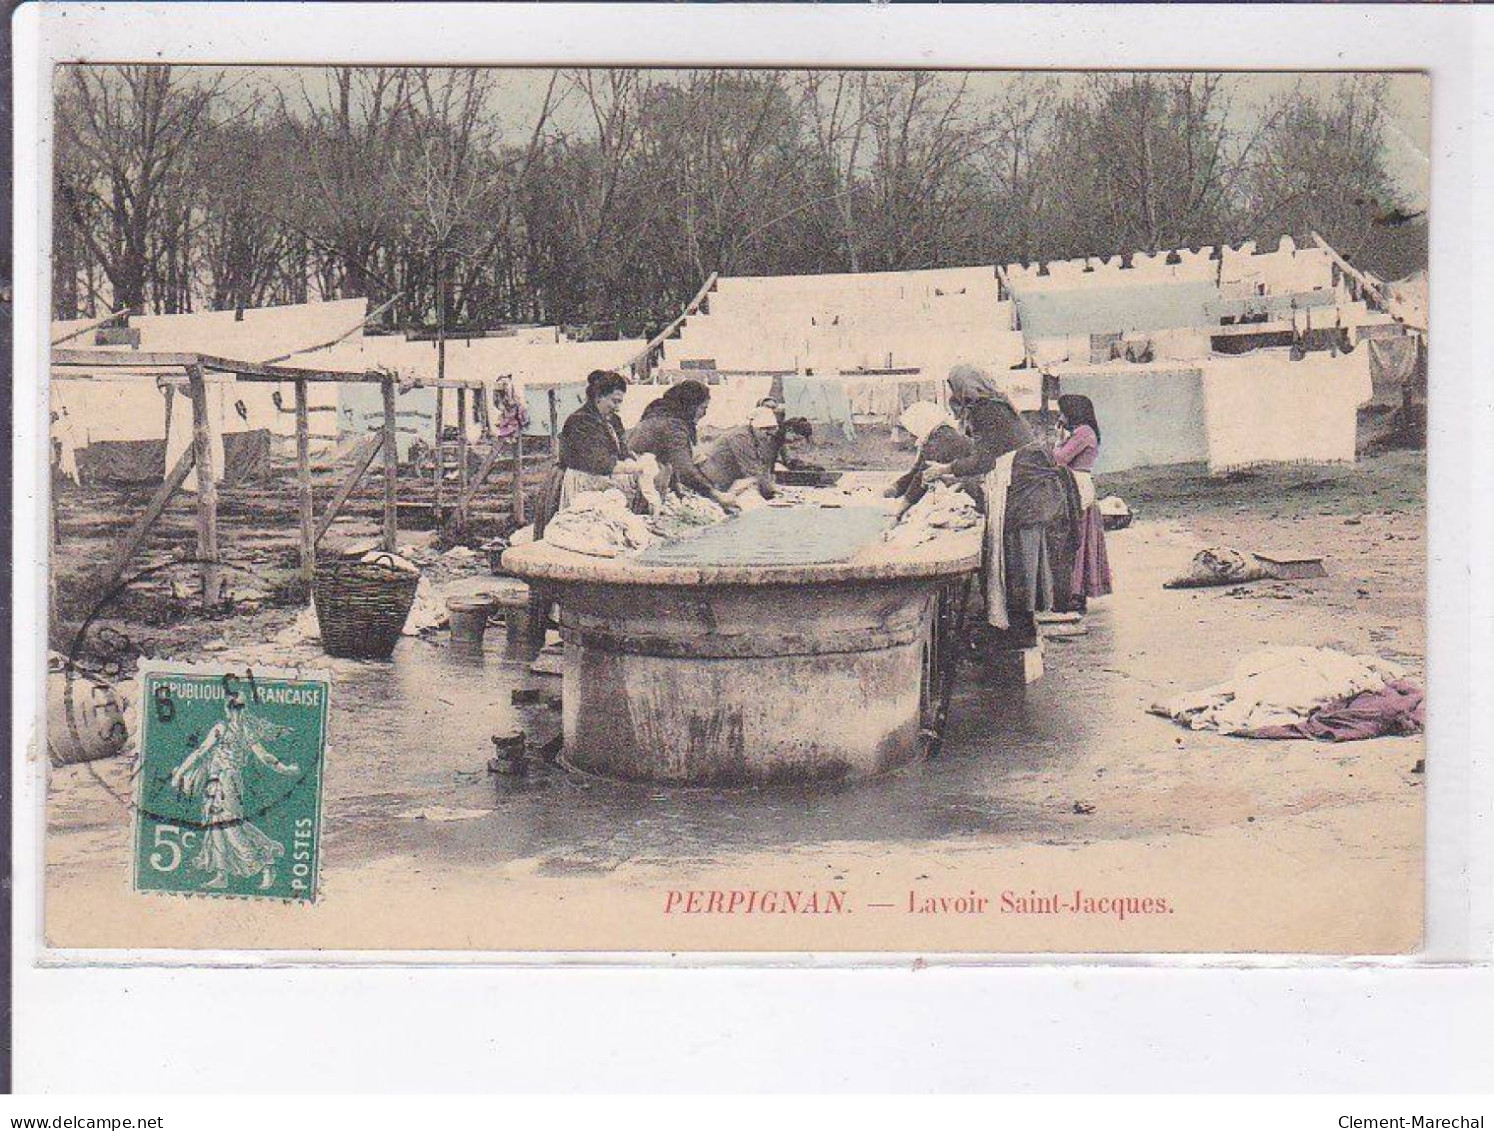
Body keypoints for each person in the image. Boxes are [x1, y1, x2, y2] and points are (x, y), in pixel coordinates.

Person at [921, 364, 1066, 649]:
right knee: (1018, 556)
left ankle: (1015, 627)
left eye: (955, 388)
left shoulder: (986, 410)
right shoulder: (999, 404)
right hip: (1024, 484)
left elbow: (984, 460)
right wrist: (954, 472)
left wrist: (943, 470)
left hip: (1019, 487)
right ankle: (1018, 622)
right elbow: (988, 454)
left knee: (1011, 555)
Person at [170, 698, 300, 891]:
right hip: (217, 783)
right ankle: (222, 875)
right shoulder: (246, 730)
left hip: (227, 783)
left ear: (227, 709)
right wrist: (286, 769)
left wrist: (180, 772)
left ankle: (266, 861)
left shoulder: (224, 728)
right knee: (216, 826)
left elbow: (200, 752)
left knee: (231, 826)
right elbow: (265, 757)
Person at [531, 369, 633, 541]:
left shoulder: (614, 420)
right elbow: (598, 462)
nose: (617, 407)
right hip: (577, 482)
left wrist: (630, 458)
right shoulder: (580, 421)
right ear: (599, 396)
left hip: (600, 483)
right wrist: (634, 468)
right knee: (577, 534)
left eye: (620, 402)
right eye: (614, 401)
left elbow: (622, 449)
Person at [628, 380, 738, 511]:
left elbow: (668, 456)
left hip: (637, 479)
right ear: (690, 405)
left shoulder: (658, 414)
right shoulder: (674, 426)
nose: (704, 413)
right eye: (703, 408)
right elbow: (684, 469)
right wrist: (715, 494)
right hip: (641, 485)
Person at [1053, 393, 1113, 611]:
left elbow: (1058, 459)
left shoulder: (1082, 432)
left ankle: (1076, 592)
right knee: (1079, 538)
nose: (1060, 416)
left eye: (1063, 411)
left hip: (1077, 488)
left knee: (1077, 539)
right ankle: (1076, 591)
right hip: (1076, 485)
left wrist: (1059, 439)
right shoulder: (1081, 432)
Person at [886, 400, 974, 515]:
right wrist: (894, 489)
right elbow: (916, 470)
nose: (912, 434)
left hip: (972, 490)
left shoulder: (941, 440)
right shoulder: (936, 435)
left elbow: (921, 479)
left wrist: (899, 513)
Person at [698, 406, 786, 501]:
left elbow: (762, 465)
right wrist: (770, 493)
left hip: (726, 479)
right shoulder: (741, 437)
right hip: (712, 479)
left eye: (772, 430)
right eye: (765, 430)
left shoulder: (755, 436)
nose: (768, 434)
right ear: (755, 427)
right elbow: (752, 470)